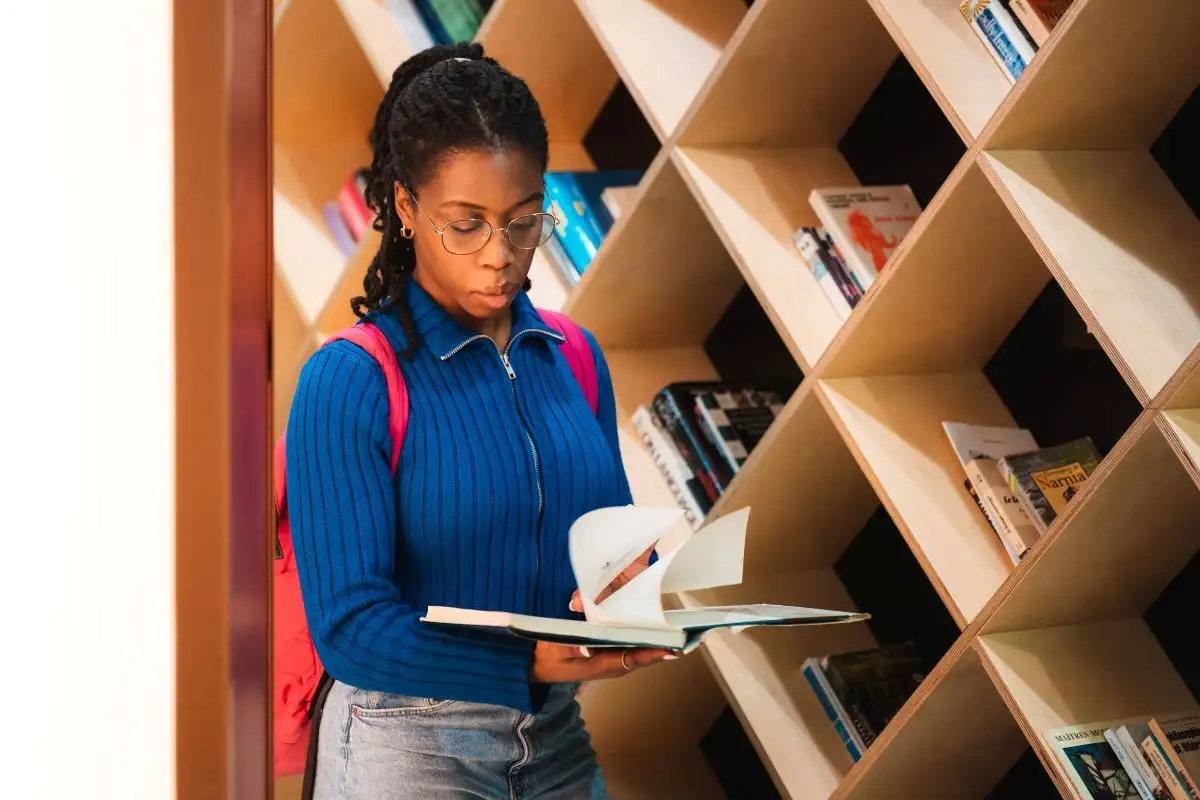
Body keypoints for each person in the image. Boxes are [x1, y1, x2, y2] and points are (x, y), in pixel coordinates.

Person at [285, 42, 677, 799]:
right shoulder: (350, 380)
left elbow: (612, 547)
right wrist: (525, 662)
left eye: (524, 221)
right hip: (404, 745)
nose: (500, 254)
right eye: (465, 225)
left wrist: (629, 590)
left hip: (553, 736)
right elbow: (350, 627)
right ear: (407, 209)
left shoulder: (575, 356)